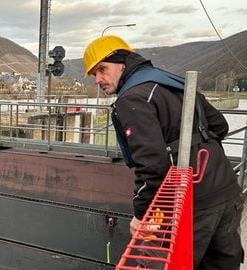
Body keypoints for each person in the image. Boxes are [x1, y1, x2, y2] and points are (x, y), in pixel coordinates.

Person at [82, 35, 244, 269]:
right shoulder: (173, 82)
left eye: (102, 70)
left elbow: (153, 165)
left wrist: (141, 215)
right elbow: (219, 126)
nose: (97, 79)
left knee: (160, 262)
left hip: (187, 201)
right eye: (94, 74)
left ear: (122, 63)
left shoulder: (132, 98)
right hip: (226, 189)